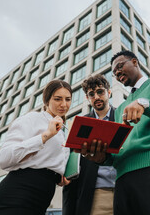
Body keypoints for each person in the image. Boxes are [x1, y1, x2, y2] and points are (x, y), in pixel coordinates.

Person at [80, 50, 150, 215]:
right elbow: (117, 150)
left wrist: (147, 105)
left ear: (134, 61)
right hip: (123, 182)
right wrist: (101, 158)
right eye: (114, 72)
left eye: (120, 66)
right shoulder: (120, 111)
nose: (117, 72)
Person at [0, 79, 72, 215]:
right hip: (17, 193)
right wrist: (45, 136)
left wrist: (60, 177)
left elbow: (47, 163)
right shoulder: (32, 119)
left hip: (43, 197)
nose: (63, 104)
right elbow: (4, 159)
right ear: (47, 100)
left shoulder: (63, 133)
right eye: (57, 99)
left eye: (68, 99)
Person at [62, 74, 116, 215]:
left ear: (109, 93)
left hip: (126, 192)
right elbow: (72, 171)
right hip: (95, 196)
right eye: (91, 94)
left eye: (100, 92)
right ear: (87, 98)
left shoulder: (122, 117)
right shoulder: (79, 125)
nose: (96, 97)